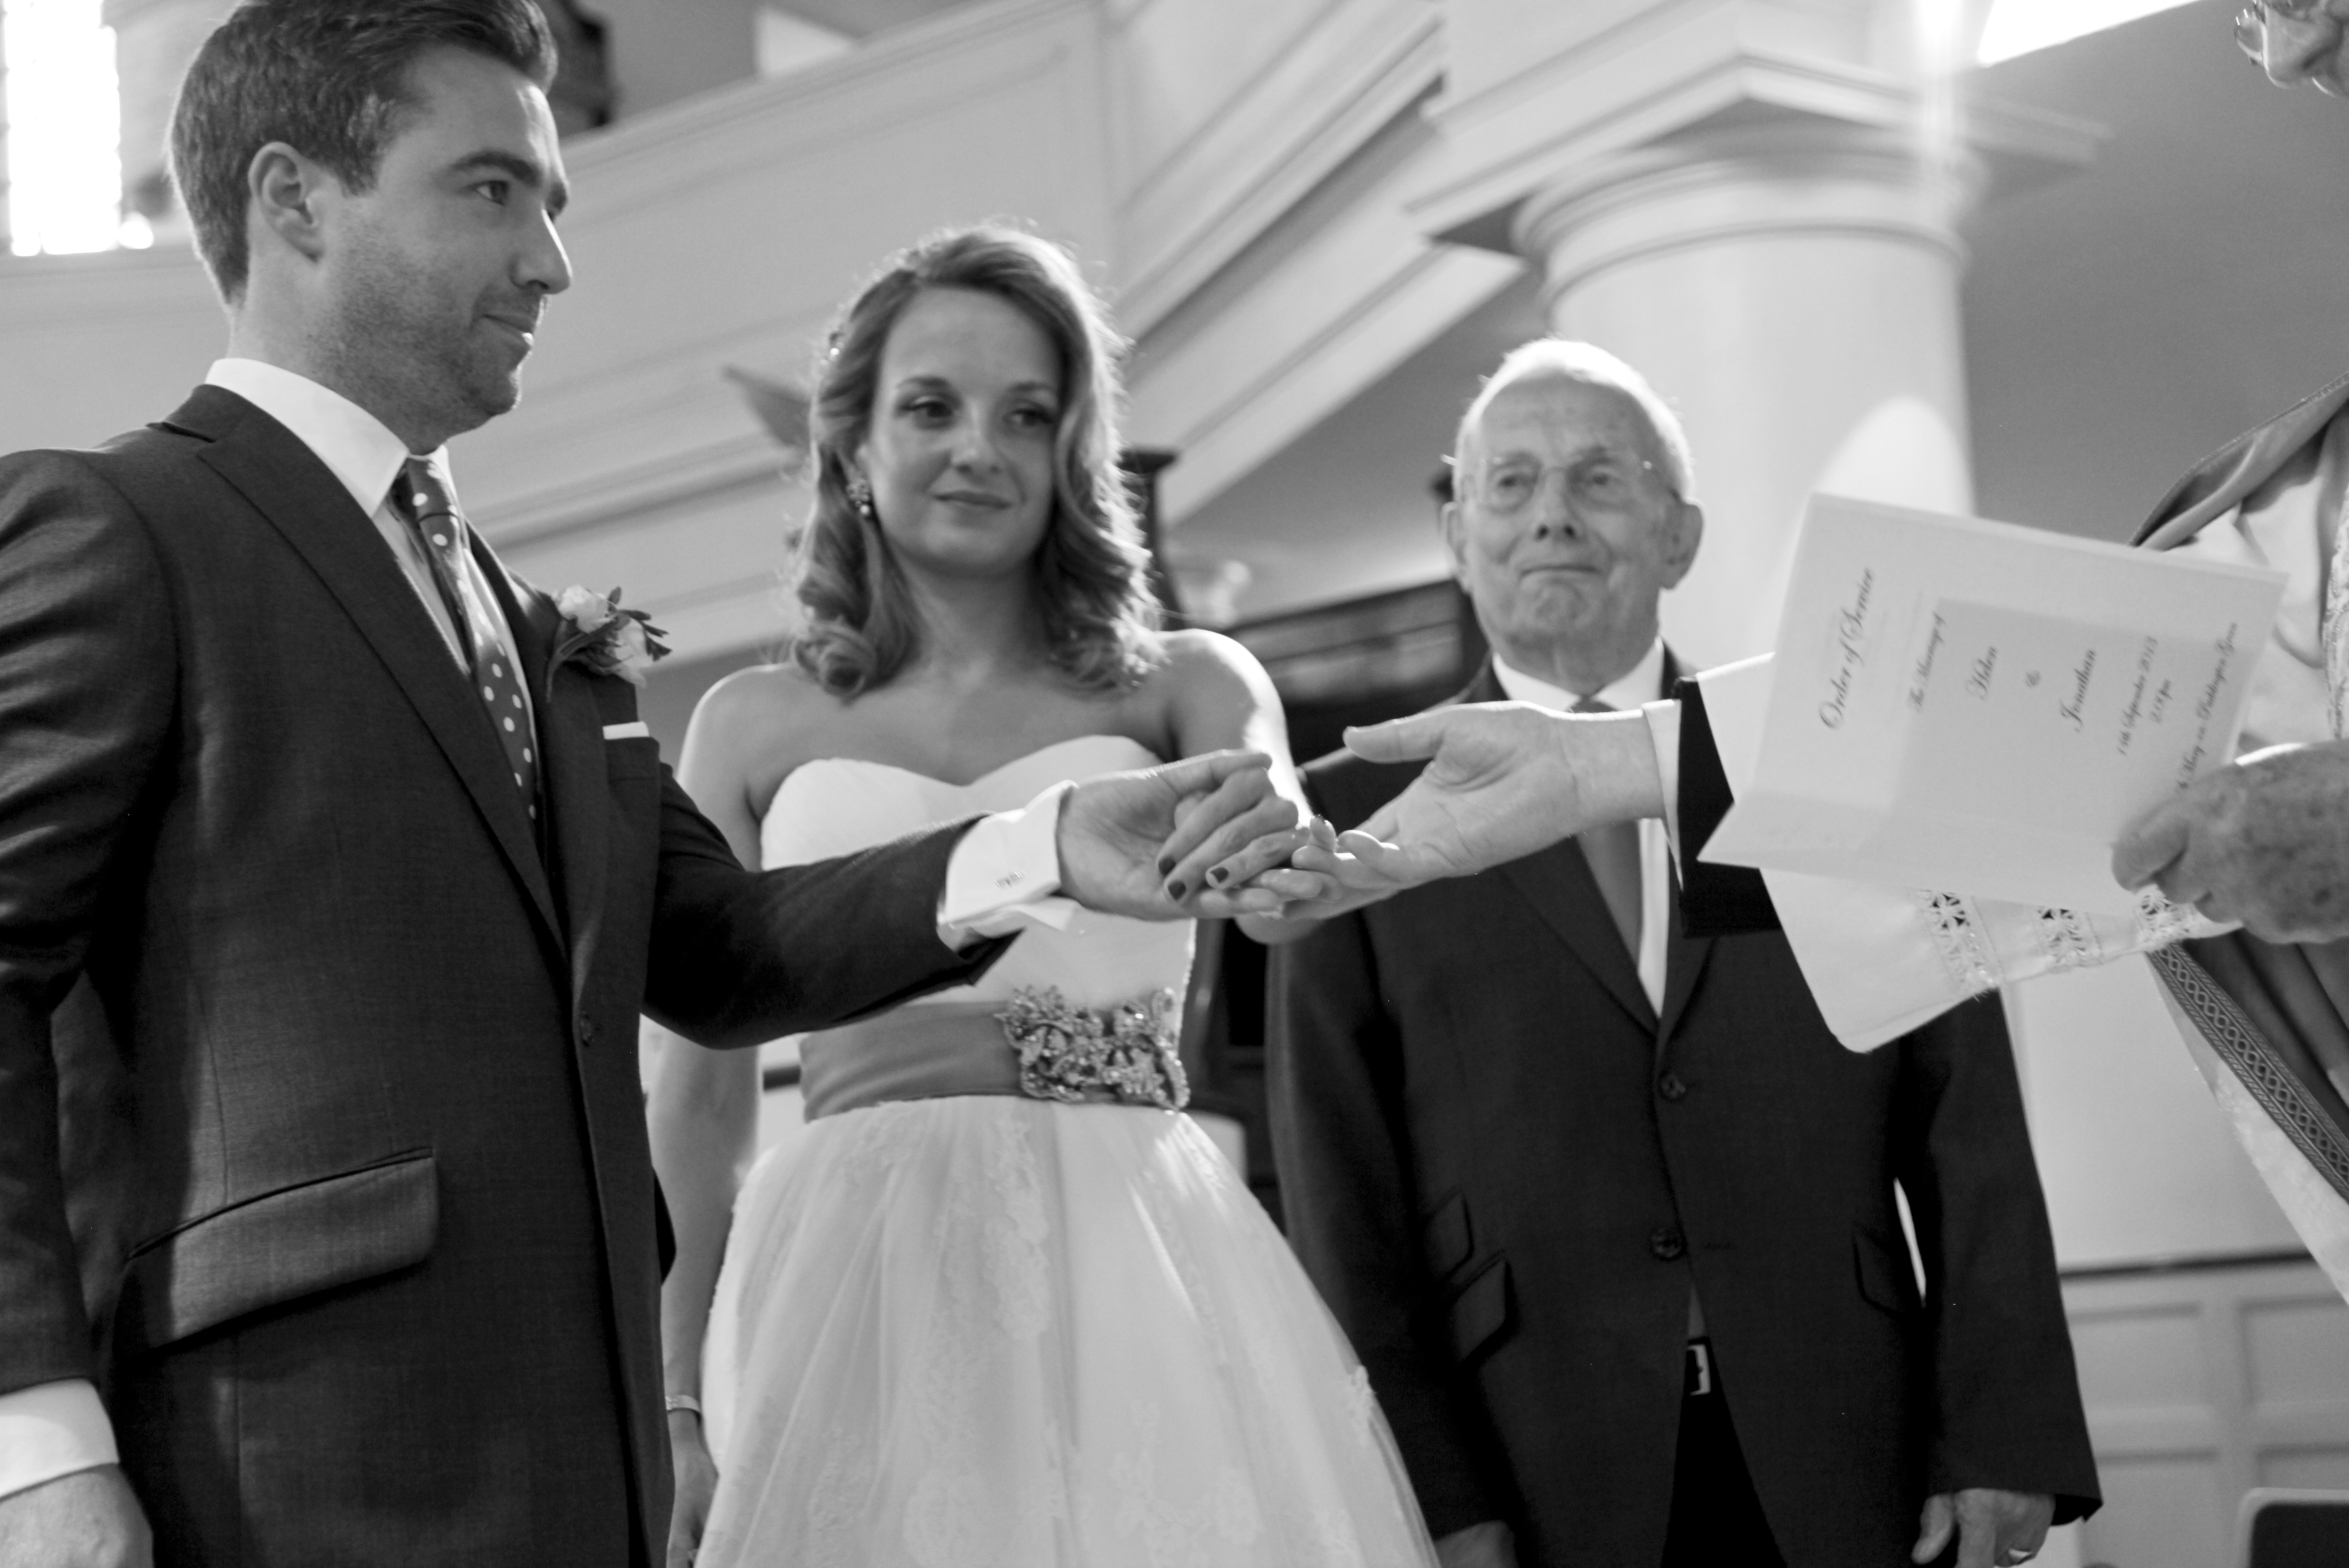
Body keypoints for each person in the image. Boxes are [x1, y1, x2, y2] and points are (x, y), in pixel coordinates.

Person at [0, 8, 1298, 1565]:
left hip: (578, 1452)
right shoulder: (121, 529)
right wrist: (37, 1452)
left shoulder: (535, 634)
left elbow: (729, 950)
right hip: (295, 1457)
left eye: (555, 204)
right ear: (294, 201)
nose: (552, 260)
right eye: (494, 191)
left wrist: (1048, 844)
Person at [1283, 0, 2349, 1307]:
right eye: (2259, 13)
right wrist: (1610, 769)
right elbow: (2081, 719)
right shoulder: (2307, 497)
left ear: (1679, 534)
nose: (2290, 57)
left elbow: (1961, 1124)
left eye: (2304, 5)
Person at [648, 224, 1438, 1568]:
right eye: (931, 407)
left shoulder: (1187, 681)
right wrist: (674, 1403)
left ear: (1074, 448)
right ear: (849, 445)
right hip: (853, 1275)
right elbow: (700, 1093)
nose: (981, 448)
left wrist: (1293, 852)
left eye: (1029, 413)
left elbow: (1277, 878)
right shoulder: (749, 724)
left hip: (1129, 1256)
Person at [1269, 341, 2097, 1568]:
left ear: (1680, 535)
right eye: (1512, 484)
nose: (1552, 513)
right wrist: (1433, 1497)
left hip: (1850, 1443)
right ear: (1458, 537)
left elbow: (1965, 1116)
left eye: (1600, 478)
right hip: (1537, 1462)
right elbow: (1340, 1197)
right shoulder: (1347, 822)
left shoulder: (1818, 757)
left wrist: (2002, 1434)